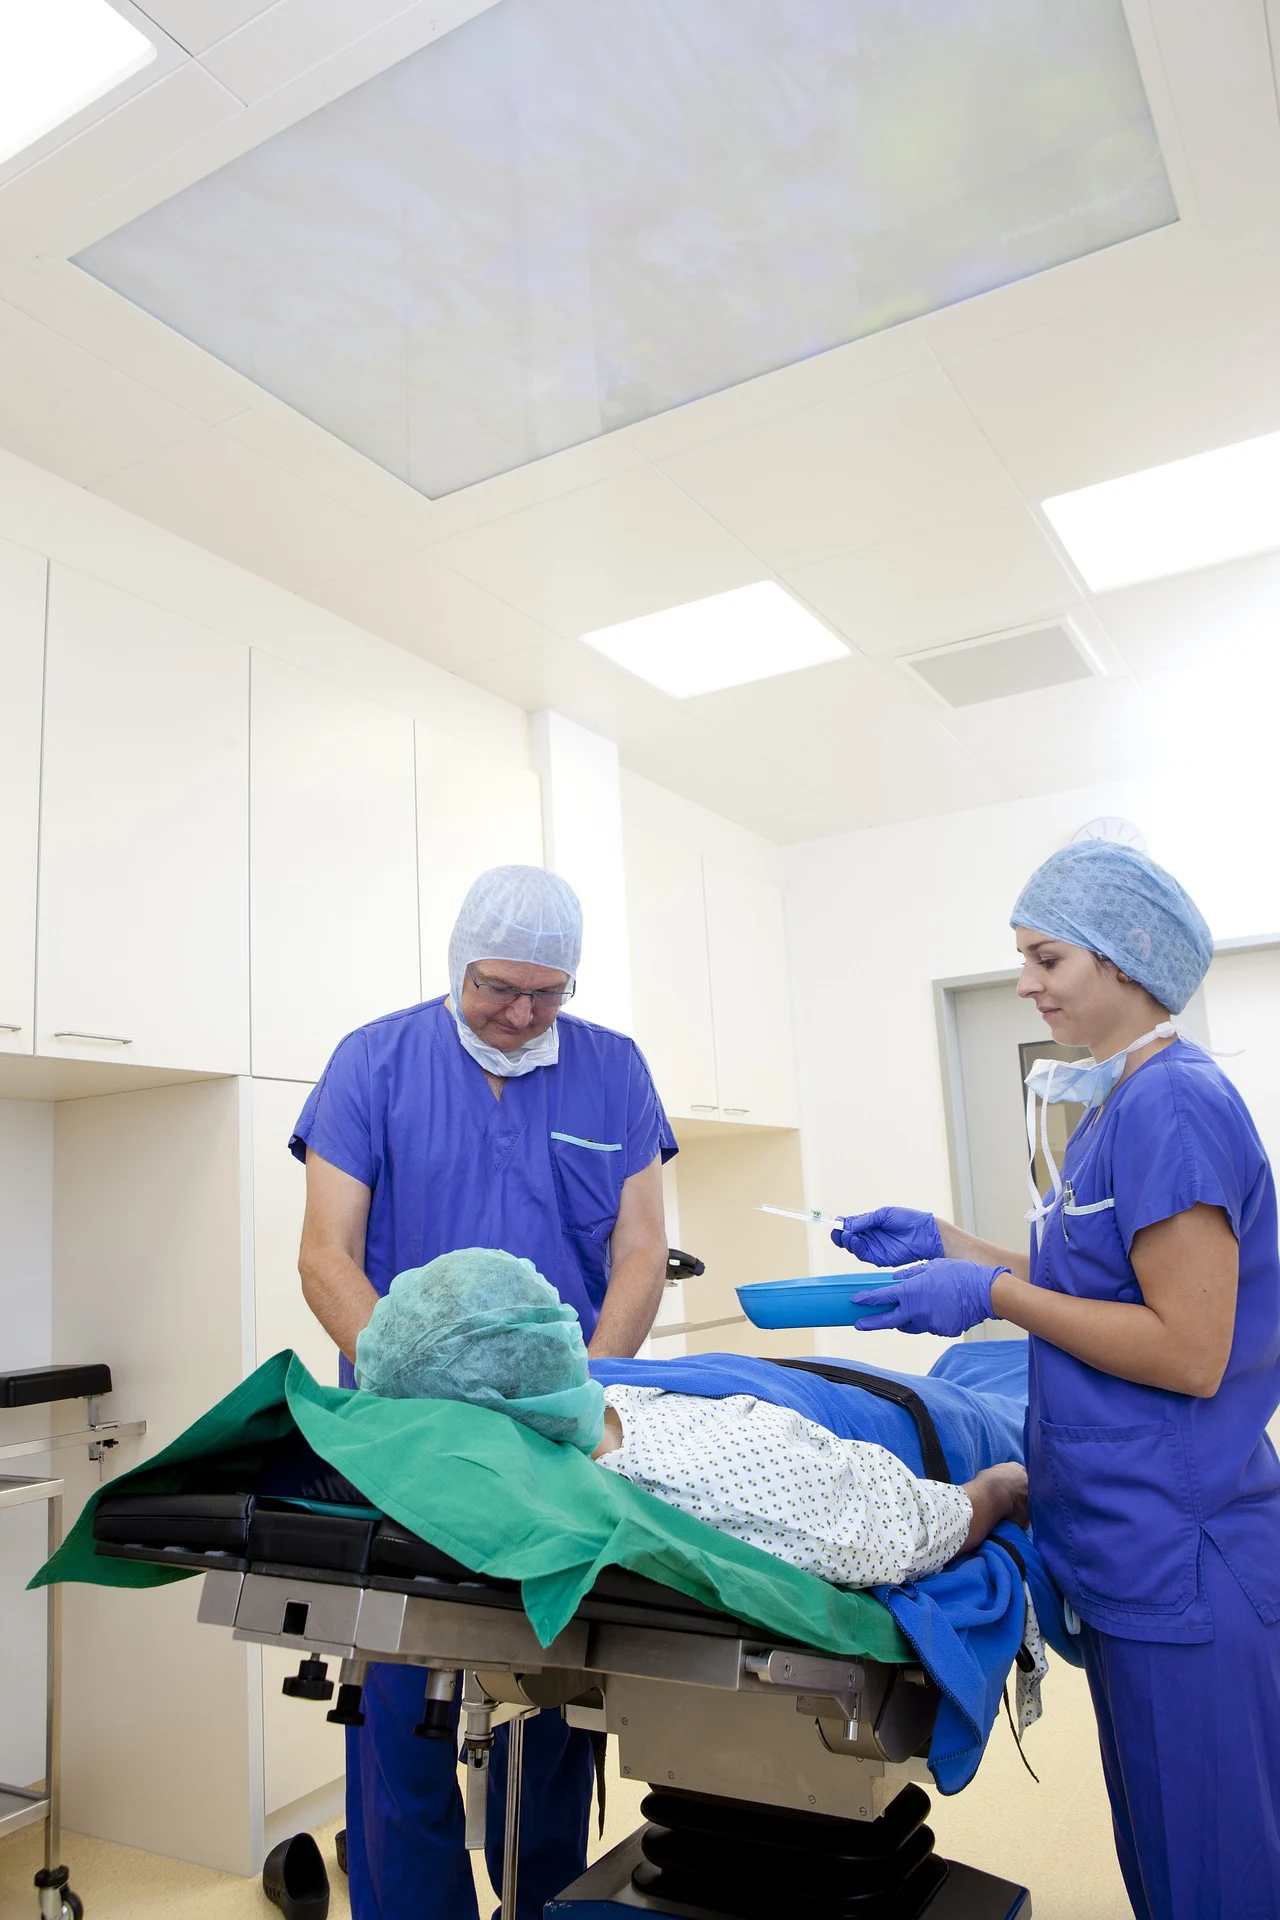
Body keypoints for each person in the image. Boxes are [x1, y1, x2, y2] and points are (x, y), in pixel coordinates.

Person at [831, 840, 1280, 1920]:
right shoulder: (1116, 1107)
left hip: (1182, 1549)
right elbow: (1095, 1282)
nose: (1025, 983)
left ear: (1126, 962)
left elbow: (1185, 1347)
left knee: (1212, 1877)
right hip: (1128, 1543)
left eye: (1045, 958)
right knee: (1169, 1864)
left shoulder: (1171, 1105)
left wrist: (988, 1299)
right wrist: (952, 1245)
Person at [291, 865, 675, 1920]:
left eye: (545, 994)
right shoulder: (373, 1061)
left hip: (555, 1444)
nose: (519, 1015)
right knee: (400, 1719)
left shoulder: (614, 1071)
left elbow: (640, 1250)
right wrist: (405, 1379)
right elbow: (326, 1256)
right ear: (456, 964)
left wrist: (583, 1394)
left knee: (546, 1713)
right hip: (403, 1443)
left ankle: (544, 1902)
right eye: (496, 988)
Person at [355, 1246, 1033, 1591]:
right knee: (1078, 1414)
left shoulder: (595, 1387)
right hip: (941, 1428)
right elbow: (904, 1532)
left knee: (996, 1364)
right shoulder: (707, 1474)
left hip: (867, 1389)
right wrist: (1000, 1489)